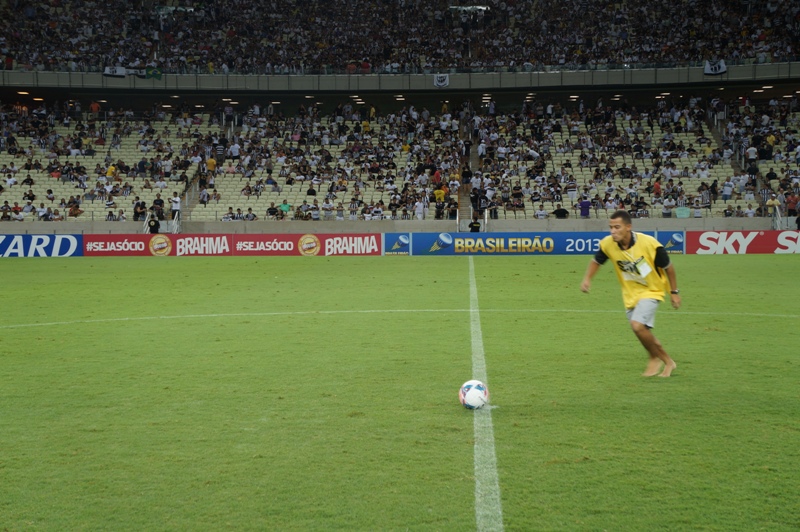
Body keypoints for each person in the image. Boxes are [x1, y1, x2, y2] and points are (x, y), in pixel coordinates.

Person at [580, 210, 681, 378]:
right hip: (630, 295)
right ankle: (655, 359)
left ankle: (667, 361)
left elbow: (668, 267)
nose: (613, 231)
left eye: (617, 227)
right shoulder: (608, 244)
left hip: (652, 290)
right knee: (643, 332)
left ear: (628, 227)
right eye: (611, 227)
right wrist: (587, 279)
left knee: (637, 325)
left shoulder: (649, 244)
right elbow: (596, 261)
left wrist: (674, 292)